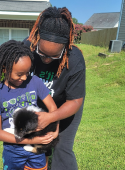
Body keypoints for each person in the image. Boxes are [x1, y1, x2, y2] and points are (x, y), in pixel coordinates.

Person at [23, 6, 86, 170]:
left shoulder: (75, 59)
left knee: (62, 148)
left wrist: (53, 117)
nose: (46, 61)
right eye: (42, 54)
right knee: (32, 145)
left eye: (54, 56)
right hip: (36, 105)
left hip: (66, 105)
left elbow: (75, 100)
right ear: (36, 41)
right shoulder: (26, 48)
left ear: (65, 48)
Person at [0, 40, 59, 170]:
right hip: (13, 150)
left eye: (27, 72)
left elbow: (53, 109)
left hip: (37, 150)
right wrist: (33, 141)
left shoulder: (35, 82)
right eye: (19, 74)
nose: (25, 78)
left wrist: (55, 130)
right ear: (4, 68)